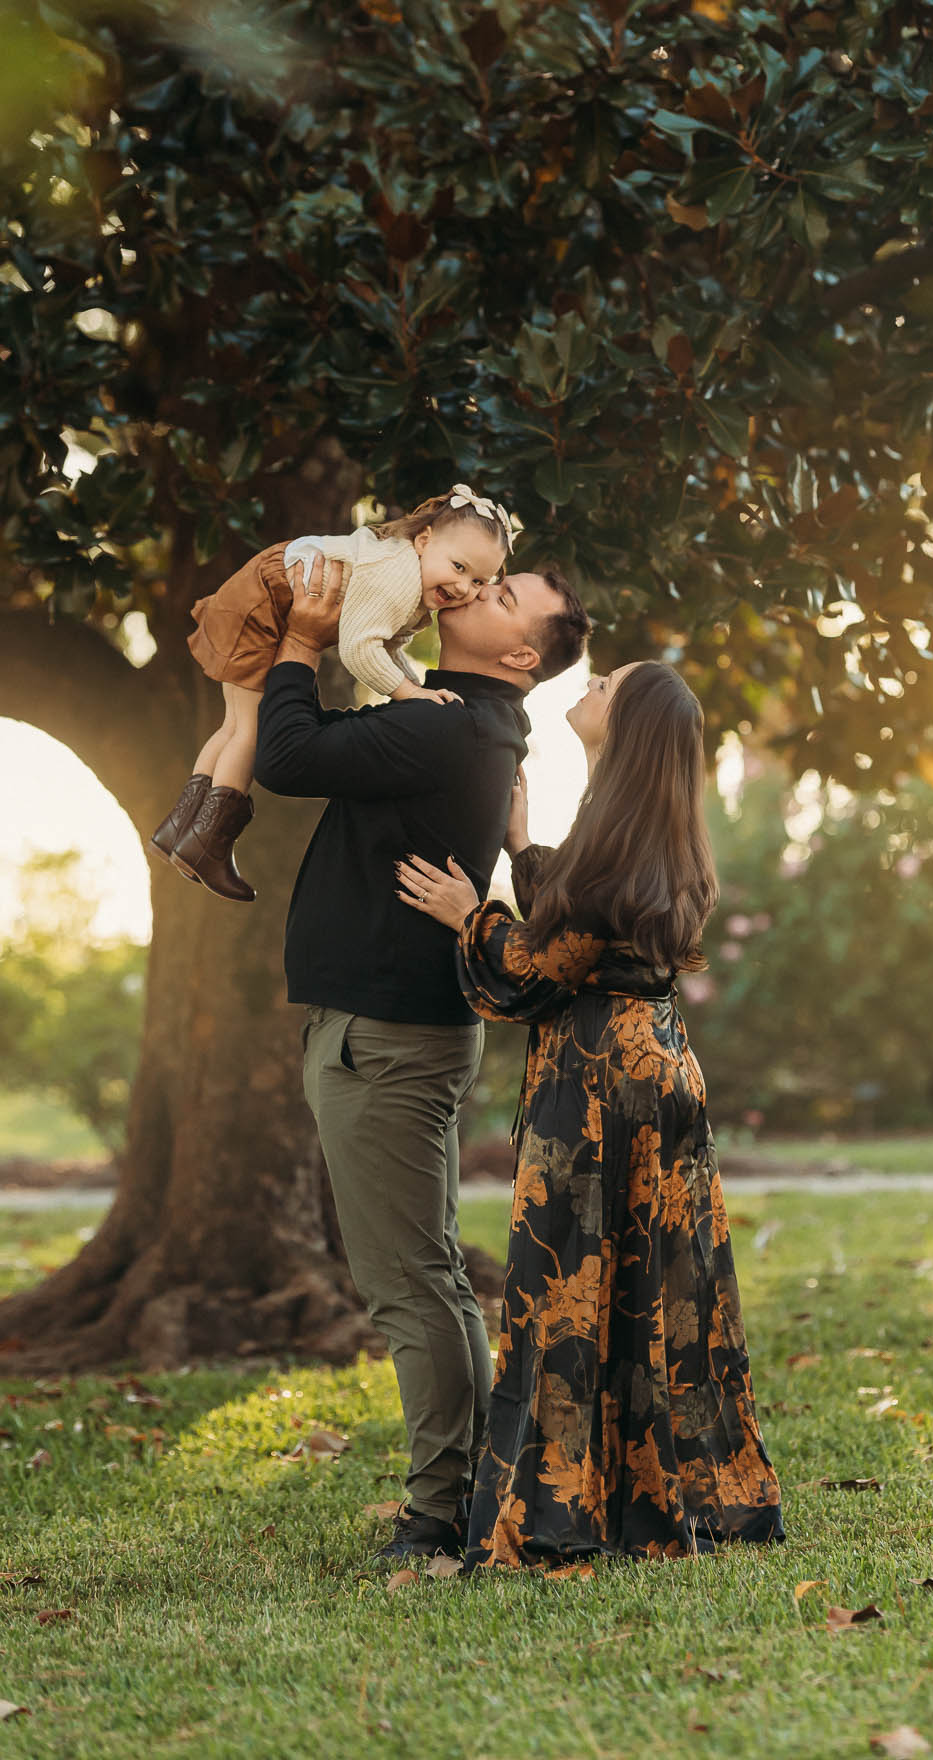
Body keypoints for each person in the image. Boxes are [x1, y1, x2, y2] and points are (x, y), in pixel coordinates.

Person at [398, 660, 785, 1567]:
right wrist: (524, 849)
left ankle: (566, 1510)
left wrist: (471, 914)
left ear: (631, 726)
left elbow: (536, 970)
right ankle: (675, 1493)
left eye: (608, 683)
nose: (590, 682)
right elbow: (584, 931)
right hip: (657, 1072)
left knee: (571, 1285)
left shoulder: (620, 836)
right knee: (658, 1290)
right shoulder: (643, 826)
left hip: (604, 1085)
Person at [254, 549, 590, 1563]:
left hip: (386, 1038)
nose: (476, 589)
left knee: (409, 1280)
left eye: (502, 594)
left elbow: (286, 755)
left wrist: (300, 641)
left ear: (522, 653)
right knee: (422, 1271)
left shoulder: (446, 725)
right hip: (387, 1030)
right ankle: (463, 1487)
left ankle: (440, 1511)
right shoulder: (452, 717)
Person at [149, 484, 513, 902]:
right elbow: (360, 650)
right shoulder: (397, 577)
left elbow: (387, 648)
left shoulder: (413, 579)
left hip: (258, 594)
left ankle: (178, 830)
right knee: (249, 729)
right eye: (459, 566)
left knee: (233, 725)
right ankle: (207, 843)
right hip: (265, 603)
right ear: (424, 541)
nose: (464, 586)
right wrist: (409, 693)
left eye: (479, 580)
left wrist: (414, 689)